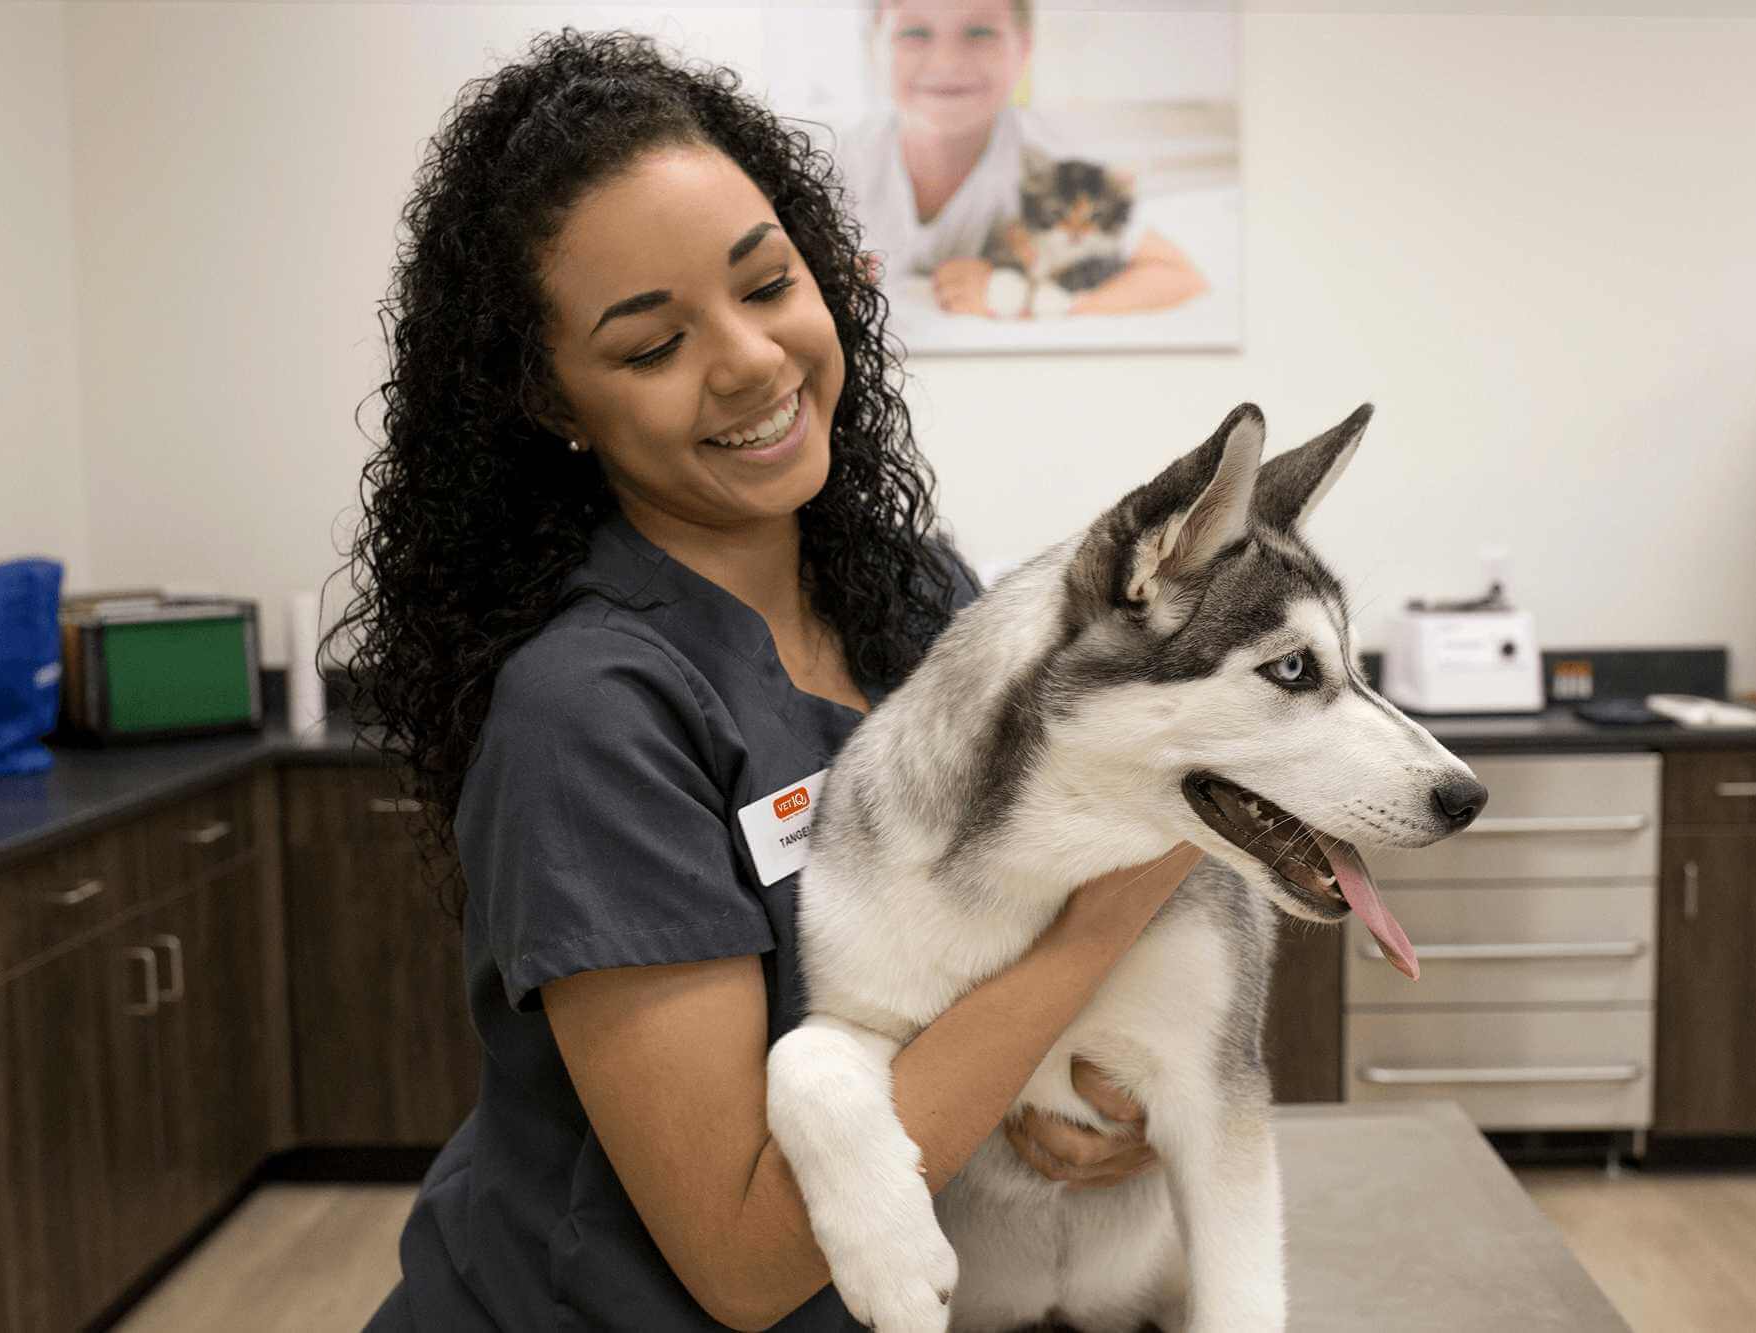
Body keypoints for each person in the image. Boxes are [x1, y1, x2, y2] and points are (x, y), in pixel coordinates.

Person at [332, 28, 1205, 1332]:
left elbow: (1008, 952)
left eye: (766, 283)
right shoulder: (589, 715)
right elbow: (744, 1255)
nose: (747, 359)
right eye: (649, 345)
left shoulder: (914, 599)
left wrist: (1111, 1106)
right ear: (552, 401)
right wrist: (1098, 933)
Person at [835, 0, 1206, 318]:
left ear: (1024, 48)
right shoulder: (836, 162)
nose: (946, 62)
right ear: (873, 47)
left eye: (980, 33)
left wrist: (1022, 300)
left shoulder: (1055, 167)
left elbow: (1175, 274)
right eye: (914, 34)